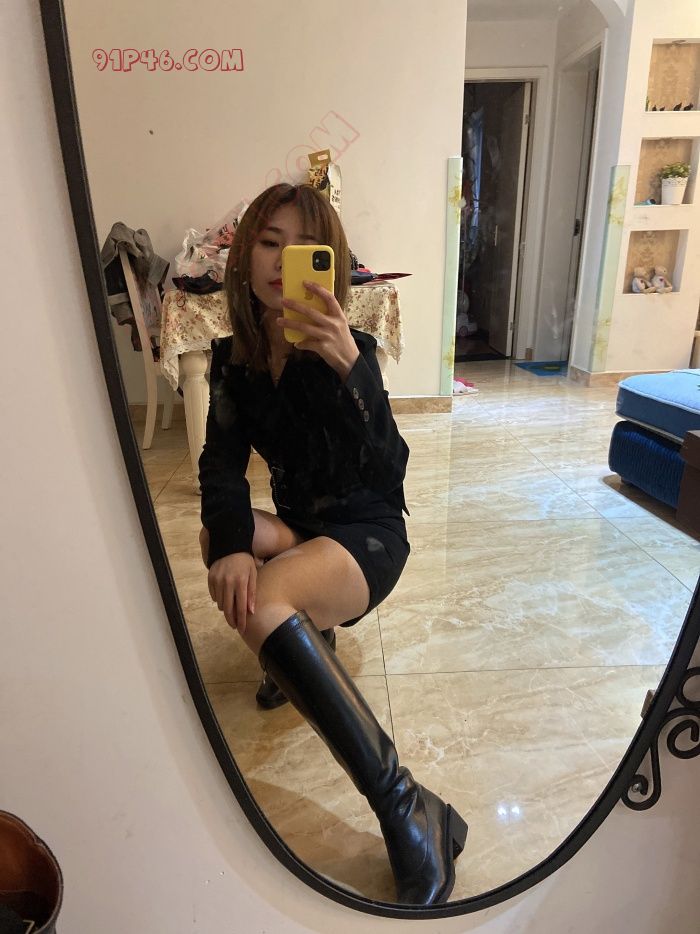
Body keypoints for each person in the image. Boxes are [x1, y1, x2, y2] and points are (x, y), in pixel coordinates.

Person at [198, 183, 467, 905]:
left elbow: (391, 470)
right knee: (219, 535)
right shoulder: (233, 361)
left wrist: (353, 369)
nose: (280, 260)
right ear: (245, 254)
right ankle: (302, 642)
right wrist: (231, 543)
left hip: (367, 532)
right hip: (303, 527)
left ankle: (406, 804)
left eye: (302, 247)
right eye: (268, 243)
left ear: (330, 263)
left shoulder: (348, 350)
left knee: (267, 598)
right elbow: (220, 467)